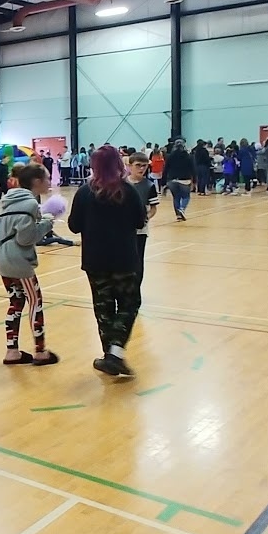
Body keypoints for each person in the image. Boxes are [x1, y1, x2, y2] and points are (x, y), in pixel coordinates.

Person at [67, 146, 146, 378]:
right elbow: (140, 221)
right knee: (129, 304)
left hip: (95, 260)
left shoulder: (84, 192)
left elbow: (74, 226)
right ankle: (115, 353)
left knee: (103, 307)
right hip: (124, 259)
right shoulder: (128, 191)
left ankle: (109, 354)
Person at [0, 163, 60, 366]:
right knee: (35, 302)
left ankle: (12, 351)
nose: (50, 182)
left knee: (15, 303)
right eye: (47, 178)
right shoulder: (29, 203)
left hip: (2, 258)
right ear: (37, 182)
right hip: (18, 261)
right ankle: (40, 351)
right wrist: (48, 223)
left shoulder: (9, 198)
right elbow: (26, 238)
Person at [126, 152, 159, 283]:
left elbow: (153, 209)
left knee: (138, 259)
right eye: (138, 165)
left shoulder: (149, 185)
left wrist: (145, 218)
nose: (141, 169)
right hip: (122, 229)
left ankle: (136, 287)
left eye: (144, 166)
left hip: (140, 230)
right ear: (129, 166)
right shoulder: (122, 183)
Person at [162, 139, 194, 221]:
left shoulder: (170, 156)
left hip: (172, 179)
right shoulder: (188, 156)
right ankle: (182, 209)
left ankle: (178, 215)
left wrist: (163, 182)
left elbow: (165, 169)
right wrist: (195, 180)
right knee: (186, 196)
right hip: (184, 179)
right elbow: (193, 169)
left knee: (176, 197)